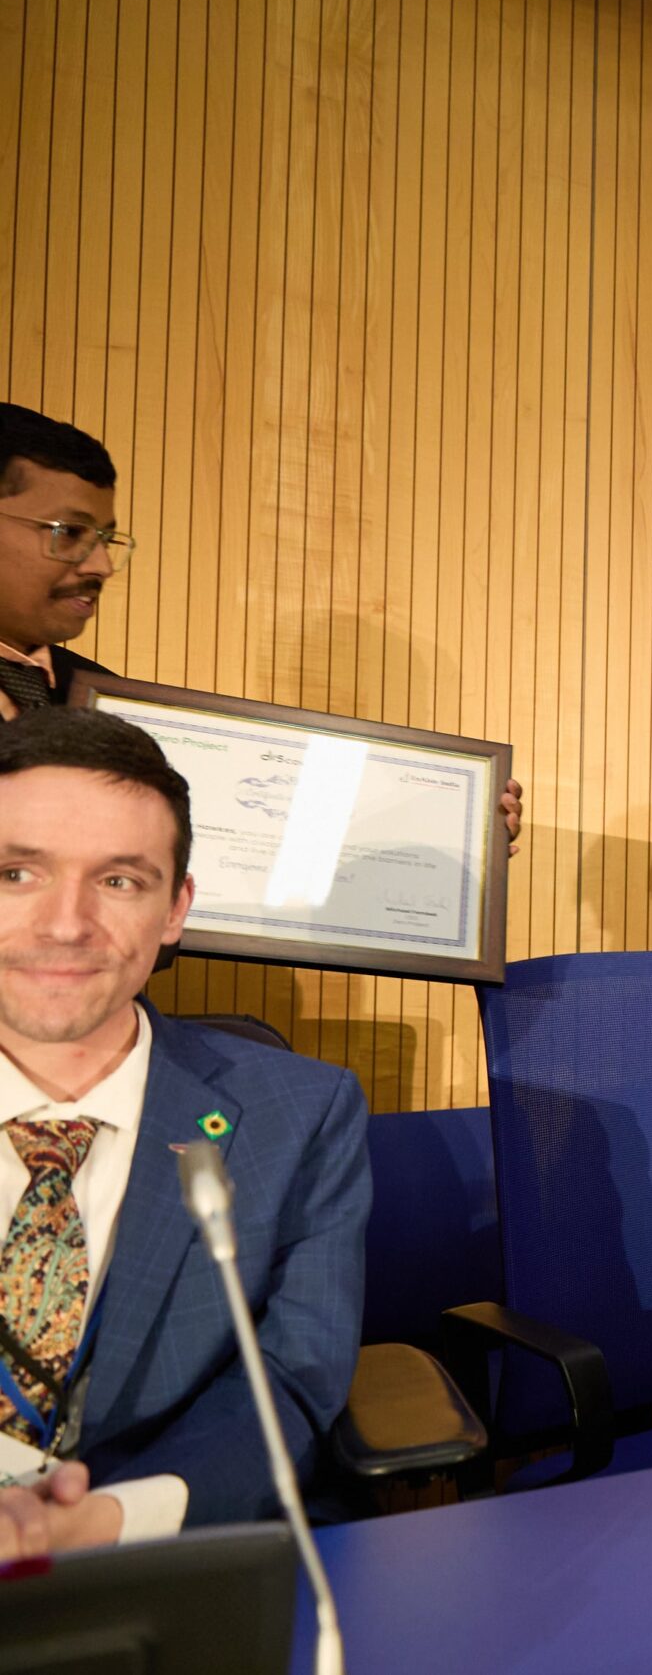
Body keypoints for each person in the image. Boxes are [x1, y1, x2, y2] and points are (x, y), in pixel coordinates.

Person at [0, 709, 370, 1557]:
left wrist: (115, 1520)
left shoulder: (303, 1114)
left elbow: (290, 1377)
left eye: (120, 881)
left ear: (176, 909)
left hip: (161, 1560)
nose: (65, 924)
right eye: (17, 872)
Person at [0, 402, 525, 847]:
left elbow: (220, 856)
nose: (101, 567)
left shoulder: (100, 703)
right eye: (68, 533)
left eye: (106, 540)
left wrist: (452, 841)